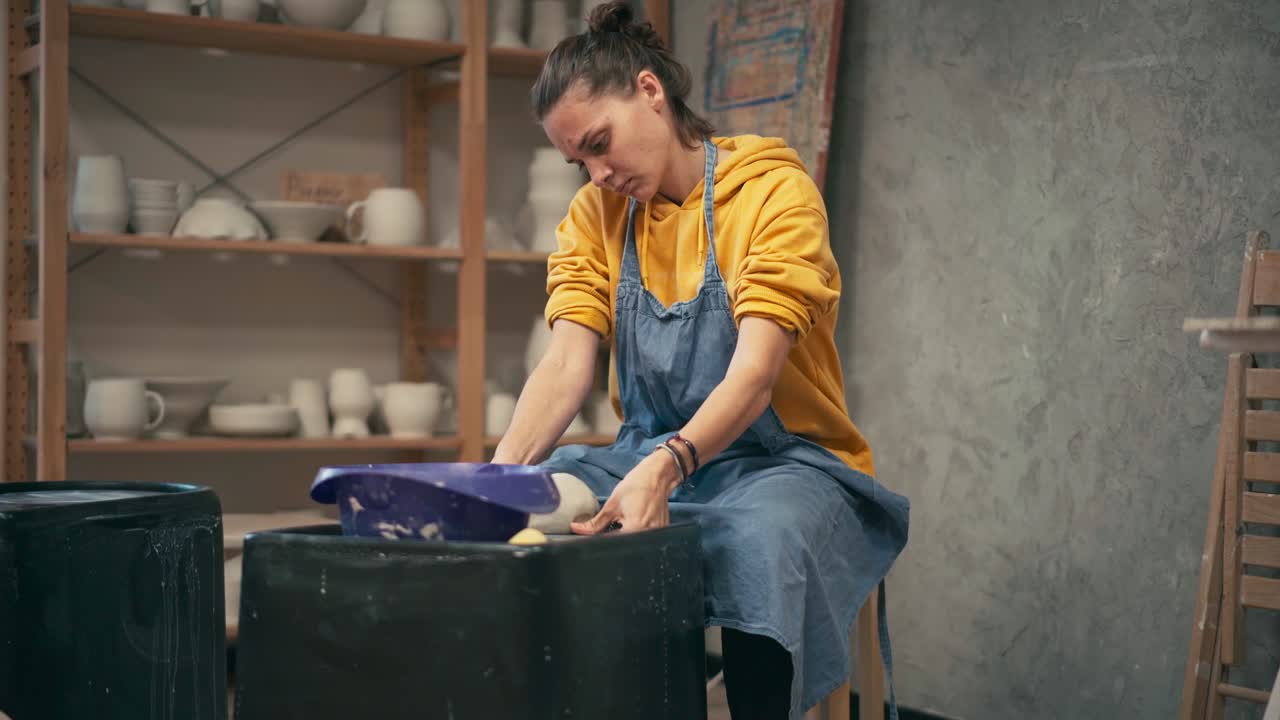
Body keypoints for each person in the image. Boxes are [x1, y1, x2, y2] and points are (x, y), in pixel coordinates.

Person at [491, 3, 910, 719]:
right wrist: (490, 483)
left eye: (600, 143)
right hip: (652, 452)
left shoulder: (772, 194)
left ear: (651, 92)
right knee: (539, 495)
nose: (595, 175)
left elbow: (754, 373)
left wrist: (669, 465)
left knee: (757, 537)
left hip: (789, 465)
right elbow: (565, 367)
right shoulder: (597, 217)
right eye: (578, 161)